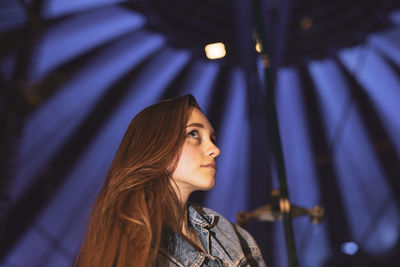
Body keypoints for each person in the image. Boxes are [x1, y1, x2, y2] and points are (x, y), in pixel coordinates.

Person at [74, 95, 266, 267]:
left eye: (212, 138)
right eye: (193, 134)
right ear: (156, 145)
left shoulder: (233, 237)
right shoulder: (127, 241)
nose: (215, 149)